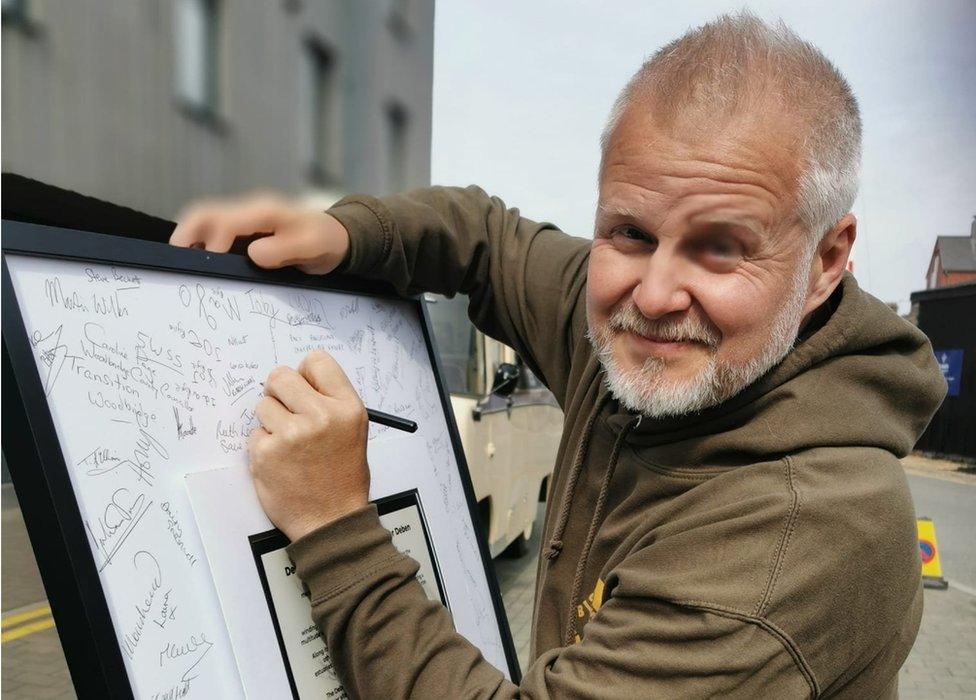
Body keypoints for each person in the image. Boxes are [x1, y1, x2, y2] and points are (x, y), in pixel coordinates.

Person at [170, 13, 946, 698]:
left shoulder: (798, 536)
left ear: (827, 258)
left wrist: (332, 523)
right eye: (630, 233)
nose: (653, 296)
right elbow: (486, 238)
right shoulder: (635, 322)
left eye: (721, 249)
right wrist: (350, 233)